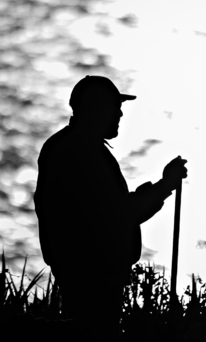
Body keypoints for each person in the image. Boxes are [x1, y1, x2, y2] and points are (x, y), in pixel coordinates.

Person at [33, 75, 188, 339]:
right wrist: (164, 186)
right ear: (95, 109)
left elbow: (111, 208)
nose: (119, 113)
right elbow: (119, 214)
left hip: (92, 271)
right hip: (91, 274)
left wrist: (155, 190)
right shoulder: (78, 151)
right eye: (114, 107)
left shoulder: (77, 148)